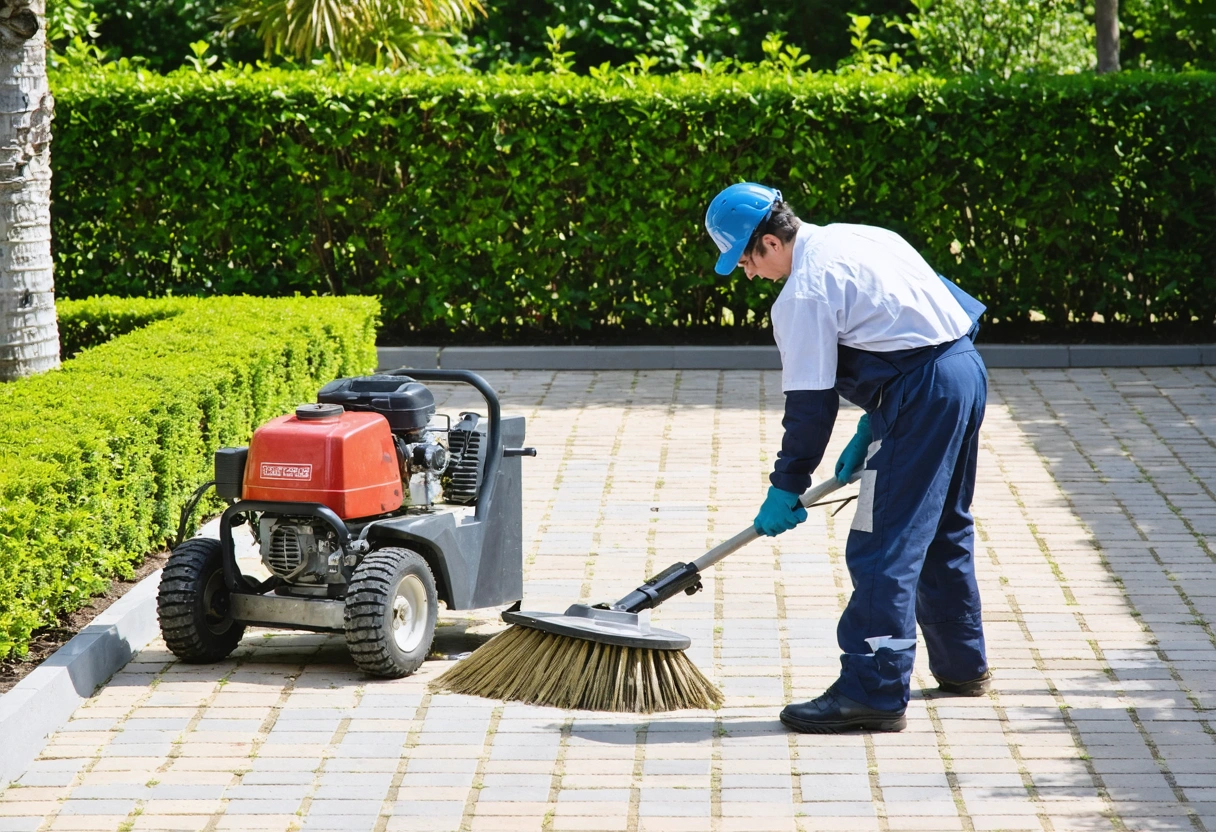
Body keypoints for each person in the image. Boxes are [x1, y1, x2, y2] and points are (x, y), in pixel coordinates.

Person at [705, 182, 990, 734]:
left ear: (768, 242)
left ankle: (873, 689)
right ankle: (962, 666)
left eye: (745, 260)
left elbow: (810, 405)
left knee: (883, 540)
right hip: (964, 370)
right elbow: (953, 310)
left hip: (923, 394)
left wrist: (786, 483)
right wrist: (877, 416)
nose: (748, 275)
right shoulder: (859, 236)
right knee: (942, 527)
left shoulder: (803, 294)